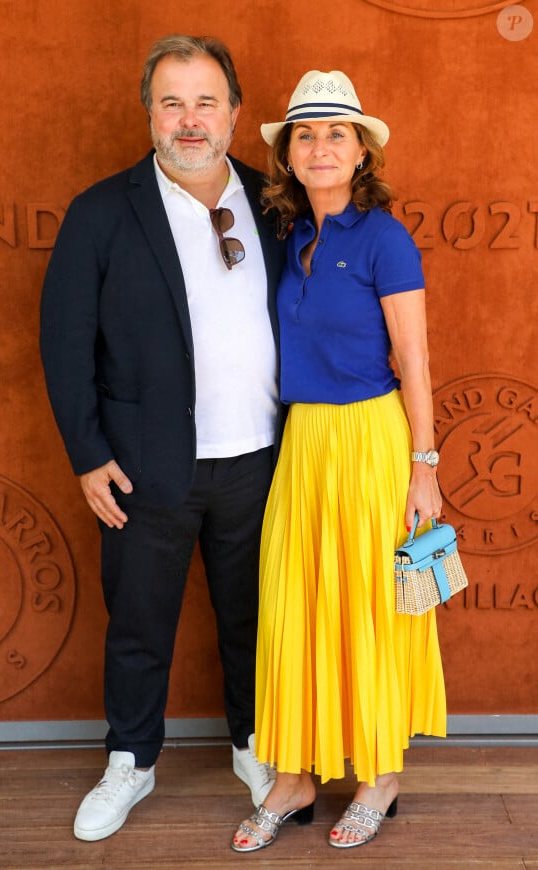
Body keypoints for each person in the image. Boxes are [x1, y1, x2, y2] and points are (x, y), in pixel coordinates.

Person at [40, 34, 286, 842]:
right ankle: (132, 761)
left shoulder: (272, 201)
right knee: (139, 622)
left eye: (206, 100)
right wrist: (86, 455)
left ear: (235, 113)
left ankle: (255, 747)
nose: (190, 119)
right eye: (172, 101)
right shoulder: (102, 212)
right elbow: (66, 341)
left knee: (255, 619)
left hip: (261, 459)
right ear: (149, 113)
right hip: (145, 469)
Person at [231, 69, 446, 853]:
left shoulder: (386, 237)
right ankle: (294, 778)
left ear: (362, 153)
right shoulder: (289, 235)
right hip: (304, 443)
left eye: (337, 133)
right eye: (306, 134)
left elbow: (415, 359)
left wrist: (424, 466)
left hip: (370, 440)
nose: (320, 146)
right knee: (296, 602)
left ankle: (380, 773)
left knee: (369, 606)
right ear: (289, 152)